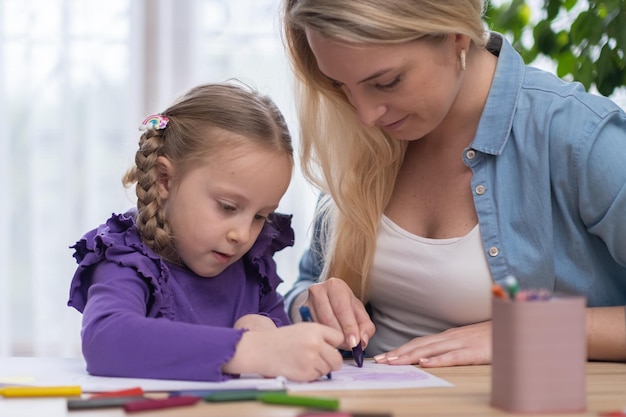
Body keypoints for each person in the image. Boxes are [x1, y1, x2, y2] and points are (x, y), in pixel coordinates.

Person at [281, 0, 626, 367]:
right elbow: (304, 286)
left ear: (456, 37)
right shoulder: (366, 137)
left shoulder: (580, 137)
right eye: (341, 86)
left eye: (386, 82)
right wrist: (318, 306)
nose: (365, 116)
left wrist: (523, 331)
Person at [68, 81, 344, 382]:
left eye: (260, 216)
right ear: (164, 179)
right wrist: (250, 349)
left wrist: (266, 327)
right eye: (227, 207)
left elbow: (279, 344)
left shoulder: (251, 265)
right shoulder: (126, 258)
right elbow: (106, 341)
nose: (242, 234)